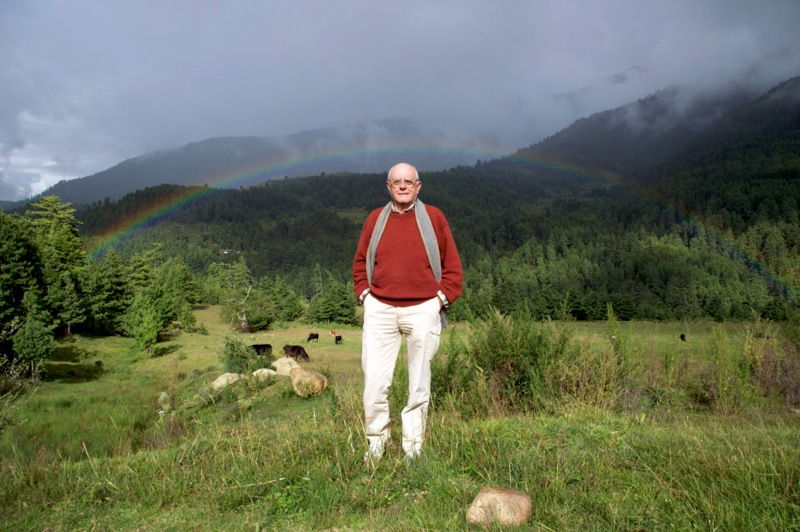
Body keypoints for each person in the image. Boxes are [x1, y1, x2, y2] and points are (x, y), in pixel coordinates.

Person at [352, 162, 463, 462]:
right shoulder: (376, 219)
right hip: (380, 309)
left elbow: (452, 265)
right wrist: (365, 295)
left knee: (418, 383)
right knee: (374, 381)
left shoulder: (434, 218)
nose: (402, 186)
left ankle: (413, 448)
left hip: (423, 309)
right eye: (396, 181)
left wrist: (439, 300)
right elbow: (360, 261)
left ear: (418, 186)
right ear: (388, 186)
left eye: (408, 181)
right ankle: (376, 442)